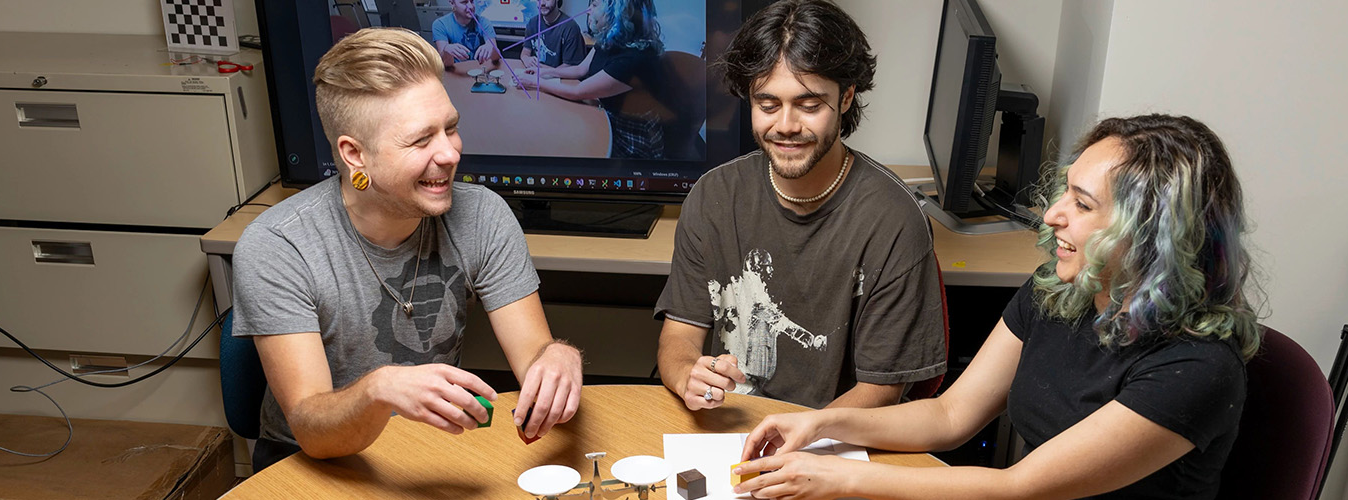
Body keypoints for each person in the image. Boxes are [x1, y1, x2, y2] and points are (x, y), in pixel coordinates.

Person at [732, 114, 1263, 500]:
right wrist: (824, 426)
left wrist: (841, 477)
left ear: (1151, 235)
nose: (1052, 214)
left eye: (1082, 204)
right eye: (1065, 193)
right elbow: (950, 415)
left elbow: (1018, 487)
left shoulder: (1198, 369)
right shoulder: (1059, 292)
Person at [231, 28, 582, 472]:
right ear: (354, 154)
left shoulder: (483, 215)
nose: (451, 154)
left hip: (428, 450)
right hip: (308, 462)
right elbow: (311, 428)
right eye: (421, 140)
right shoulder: (278, 246)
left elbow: (536, 354)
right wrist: (378, 390)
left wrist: (558, 356)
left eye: (450, 128)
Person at [649, 0, 946, 412]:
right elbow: (679, 336)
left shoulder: (893, 221)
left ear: (845, 99)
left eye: (808, 105)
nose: (785, 125)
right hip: (728, 428)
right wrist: (687, 374)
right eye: (767, 104)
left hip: (832, 440)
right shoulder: (713, 196)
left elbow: (882, 391)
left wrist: (802, 437)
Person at [516, 0, 687, 159]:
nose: (589, 10)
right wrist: (544, 73)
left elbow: (578, 92)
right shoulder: (609, 39)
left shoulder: (635, 59)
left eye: (596, 5)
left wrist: (534, 83)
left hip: (631, 139)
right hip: (603, 114)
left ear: (618, 12)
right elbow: (579, 69)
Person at [519, 0, 588, 74]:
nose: (542, 3)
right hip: (537, 75)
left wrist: (544, 72)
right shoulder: (533, 22)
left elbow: (570, 67)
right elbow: (525, 51)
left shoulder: (570, 28)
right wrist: (526, 59)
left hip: (559, 79)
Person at [430, 0, 500, 65]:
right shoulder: (441, 24)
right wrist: (447, 50)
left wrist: (492, 49)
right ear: (452, 3)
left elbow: (497, 57)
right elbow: (445, 64)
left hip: (480, 70)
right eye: (464, 2)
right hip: (456, 71)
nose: (471, 6)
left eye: (472, 1)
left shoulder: (484, 22)